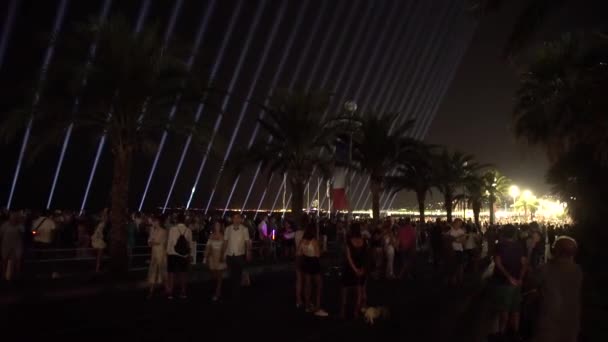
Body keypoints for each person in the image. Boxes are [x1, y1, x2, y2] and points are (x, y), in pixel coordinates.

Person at [532, 236, 582, 342]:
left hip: (548, 320)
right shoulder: (578, 271)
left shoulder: (545, 269)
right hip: (571, 319)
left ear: (555, 250)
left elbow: (531, 283)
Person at [492, 224, 528, 340]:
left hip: (503, 281)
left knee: (504, 308)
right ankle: (516, 332)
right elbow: (524, 263)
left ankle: (502, 332)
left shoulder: (499, 246)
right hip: (517, 281)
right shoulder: (520, 246)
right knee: (515, 308)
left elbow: (498, 263)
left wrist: (509, 278)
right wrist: (520, 279)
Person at [297, 224, 328, 317]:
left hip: (306, 261)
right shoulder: (314, 241)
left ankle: (307, 305)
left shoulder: (302, 241)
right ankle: (317, 306)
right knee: (318, 285)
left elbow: (298, 252)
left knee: (307, 285)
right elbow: (318, 255)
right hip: (314, 263)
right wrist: (323, 249)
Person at [340, 223, 368, 319]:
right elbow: (366, 257)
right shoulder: (363, 241)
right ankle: (356, 312)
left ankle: (343, 312)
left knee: (345, 291)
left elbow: (349, 258)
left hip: (349, 269)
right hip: (361, 268)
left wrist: (355, 269)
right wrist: (362, 269)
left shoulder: (349, 242)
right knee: (359, 291)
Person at [222, 213, 251, 300]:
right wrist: (223, 254)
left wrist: (248, 252)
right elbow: (225, 242)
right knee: (231, 274)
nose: (236, 219)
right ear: (232, 219)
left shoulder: (244, 229)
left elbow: (247, 242)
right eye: (234, 218)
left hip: (239, 255)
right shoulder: (228, 229)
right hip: (230, 254)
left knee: (238, 274)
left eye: (238, 218)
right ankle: (234, 290)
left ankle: (236, 293)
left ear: (240, 219)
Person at [166, 214, 193, 300]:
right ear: (184, 220)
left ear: (177, 220)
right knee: (183, 274)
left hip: (173, 254)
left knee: (171, 274)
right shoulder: (188, 230)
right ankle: (183, 292)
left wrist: (167, 253)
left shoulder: (172, 229)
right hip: (184, 255)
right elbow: (190, 244)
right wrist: (189, 255)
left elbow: (170, 242)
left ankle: (170, 292)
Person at [204, 221, 227, 302]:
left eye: (218, 225)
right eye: (216, 225)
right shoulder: (211, 235)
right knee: (214, 275)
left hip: (220, 256)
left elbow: (224, 248)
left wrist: (222, 256)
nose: (217, 227)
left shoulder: (223, 236)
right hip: (212, 257)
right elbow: (208, 247)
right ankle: (216, 290)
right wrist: (206, 257)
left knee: (219, 275)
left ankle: (217, 292)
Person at [147, 215, 168, 299]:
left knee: (162, 271)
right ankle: (151, 290)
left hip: (161, 254)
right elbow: (149, 241)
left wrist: (152, 242)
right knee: (153, 272)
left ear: (159, 222)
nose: (153, 222)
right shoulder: (152, 230)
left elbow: (158, 241)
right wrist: (151, 242)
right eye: (153, 221)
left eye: (155, 221)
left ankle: (167, 289)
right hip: (154, 253)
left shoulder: (163, 231)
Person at [0, 211, 24, 280]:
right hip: (6, 245)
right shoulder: (5, 225)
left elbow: (23, 234)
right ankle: (3, 275)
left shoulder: (20, 226)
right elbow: (1, 235)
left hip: (17, 246)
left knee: (17, 261)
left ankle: (16, 276)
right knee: (4, 260)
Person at [448, 218, 466, 285]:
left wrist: (456, 239)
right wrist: (459, 238)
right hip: (452, 250)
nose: (460, 225)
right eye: (459, 223)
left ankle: (460, 279)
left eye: (460, 223)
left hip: (459, 250)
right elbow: (450, 240)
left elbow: (463, 242)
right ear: (455, 223)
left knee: (460, 265)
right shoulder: (450, 231)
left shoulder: (461, 231)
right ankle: (454, 279)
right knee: (453, 265)